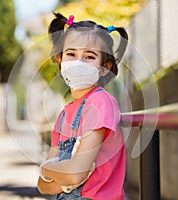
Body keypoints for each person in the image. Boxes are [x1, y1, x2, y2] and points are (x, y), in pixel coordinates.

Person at [37, 12, 129, 200]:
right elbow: (42, 187)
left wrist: (47, 169)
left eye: (89, 56)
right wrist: (59, 176)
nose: (78, 62)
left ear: (105, 67)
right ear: (60, 59)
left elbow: (74, 174)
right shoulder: (64, 115)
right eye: (71, 54)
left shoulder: (100, 103)